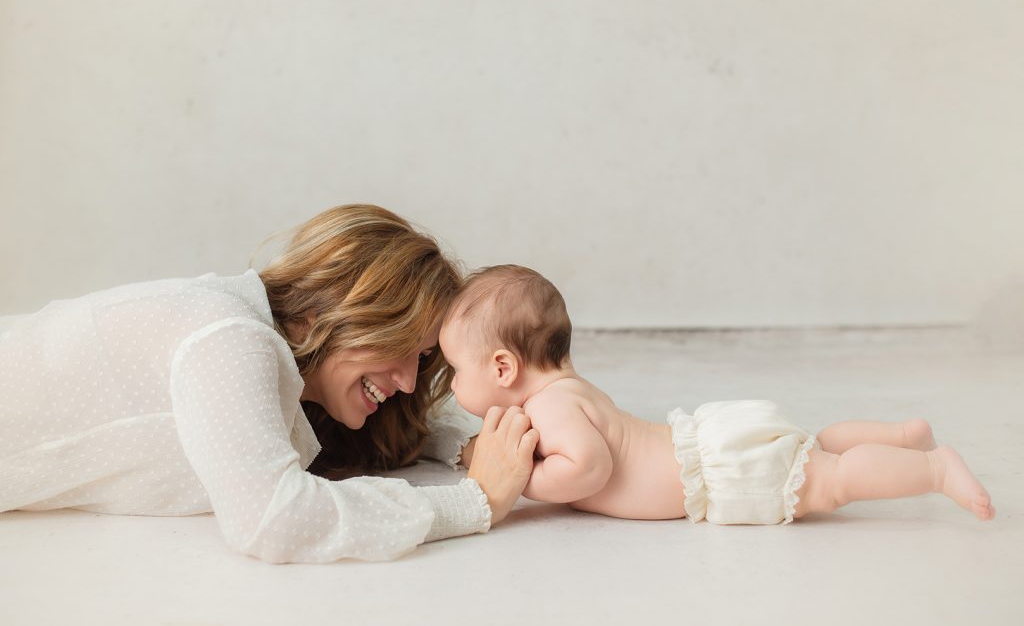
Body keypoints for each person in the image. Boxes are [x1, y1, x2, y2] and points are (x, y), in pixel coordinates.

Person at [0, 205, 539, 562]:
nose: (405, 381)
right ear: (356, 310)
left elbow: (378, 438)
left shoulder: (281, 372)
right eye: (403, 347)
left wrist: (466, 447)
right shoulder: (229, 339)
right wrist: (477, 502)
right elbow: (273, 518)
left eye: (422, 360)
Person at [438, 264, 996, 525]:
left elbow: (588, 467)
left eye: (456, 370)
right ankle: (904, 438)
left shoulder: (550, 407)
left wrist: (522, 481)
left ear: (504, 367)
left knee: (832, 482)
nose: (452, 384)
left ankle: (934, 471)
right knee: (817, 447)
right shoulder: (568, 389)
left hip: (716, 471)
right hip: (710, 449)